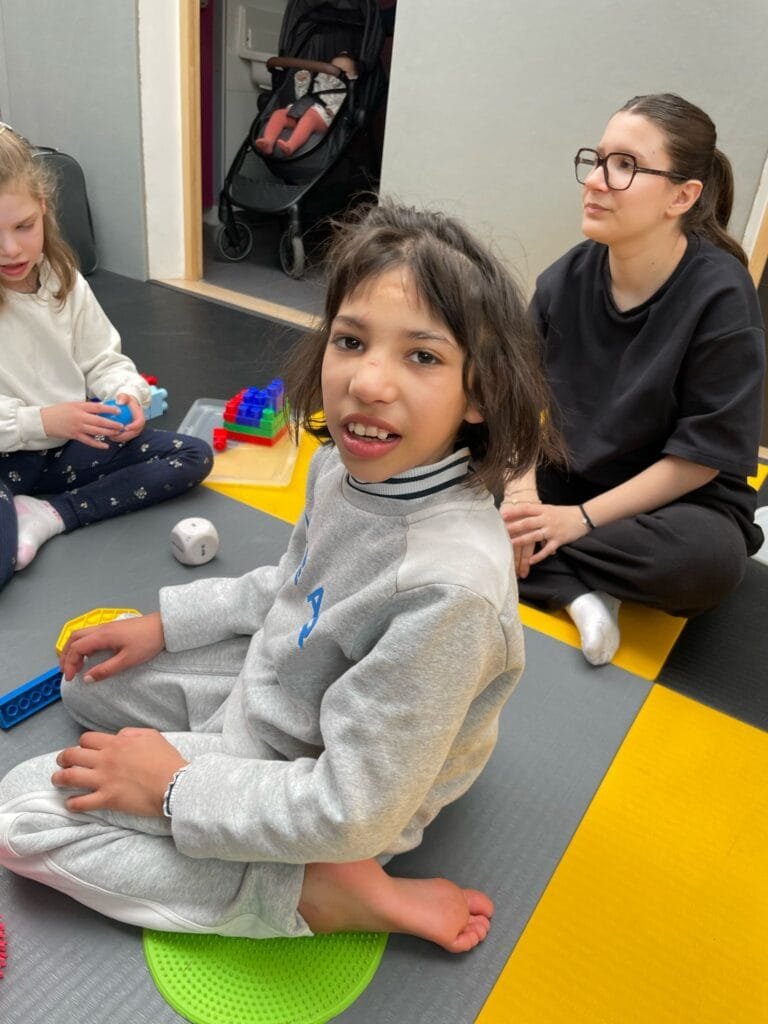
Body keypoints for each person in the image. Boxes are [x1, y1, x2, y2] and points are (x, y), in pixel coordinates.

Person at [0, 201, 561, 952]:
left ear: (482, 393)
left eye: (421, 357)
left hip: (342, 789)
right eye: (352, 341)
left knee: (22, 819)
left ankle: (315, 891)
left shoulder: (447, 590)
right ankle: (228, 798)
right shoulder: (344, 467)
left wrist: (172, 789)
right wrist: (165, 625)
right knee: (85, 682)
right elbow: (291, 587)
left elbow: (358, 807)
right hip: (280, 687)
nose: (367, 381)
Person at [501, 93, 766, 666]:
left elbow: (701, 458)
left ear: (683, 196)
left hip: (675, 501)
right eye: (596, 161)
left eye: (624, 165)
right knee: (445, 471)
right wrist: (521, 494)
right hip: (567, 475)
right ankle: (577, 589)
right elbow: (515, 401)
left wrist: (577, 522)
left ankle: (534, 564)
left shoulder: (721, 295)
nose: (596, 180)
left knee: (709, 566)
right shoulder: (563, 279)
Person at [0, 123, 213, 590]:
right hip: (7, 458)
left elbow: (103, 360)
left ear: (43, 209)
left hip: (69, 449)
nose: (11, 249)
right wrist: (43, 421)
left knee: (192, 456)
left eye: (23, 227)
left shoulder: (65, 281)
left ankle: (51, 514)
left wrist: (127, 393)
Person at [254, 54, 358, 158]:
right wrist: (302, 82)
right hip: (300, 110)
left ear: (353, 75)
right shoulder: (320, 81)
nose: (334, 73)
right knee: (279, 114)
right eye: (333, 68)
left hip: (323, 118)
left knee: (309, 118)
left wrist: (334, 111)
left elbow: (344, 105)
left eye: (341, 70)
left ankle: (290, 146)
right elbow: (303, 97)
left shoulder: (347, 90)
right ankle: (268, 141)